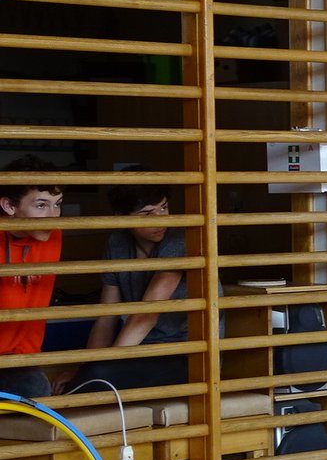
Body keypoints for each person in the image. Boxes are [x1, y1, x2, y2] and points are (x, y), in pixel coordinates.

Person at [56, 180, 189, 393]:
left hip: (185, 353)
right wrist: (87, 367)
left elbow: (146, 315)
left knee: (97, 377)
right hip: (140, 352)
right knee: (89, 377)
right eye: (146, 214)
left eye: (163, 208)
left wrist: (98, 369)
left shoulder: (178, 240)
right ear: (121, 217)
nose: (160, 219)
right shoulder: (117, 243)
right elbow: (107, 317)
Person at [0, 156, 64, 398]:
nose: (53, 216)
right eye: (41, 205)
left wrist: (27, 359)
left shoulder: (52, 234)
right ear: (9, 206)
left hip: (18, 359)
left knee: (36, 390)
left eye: (58, 204)